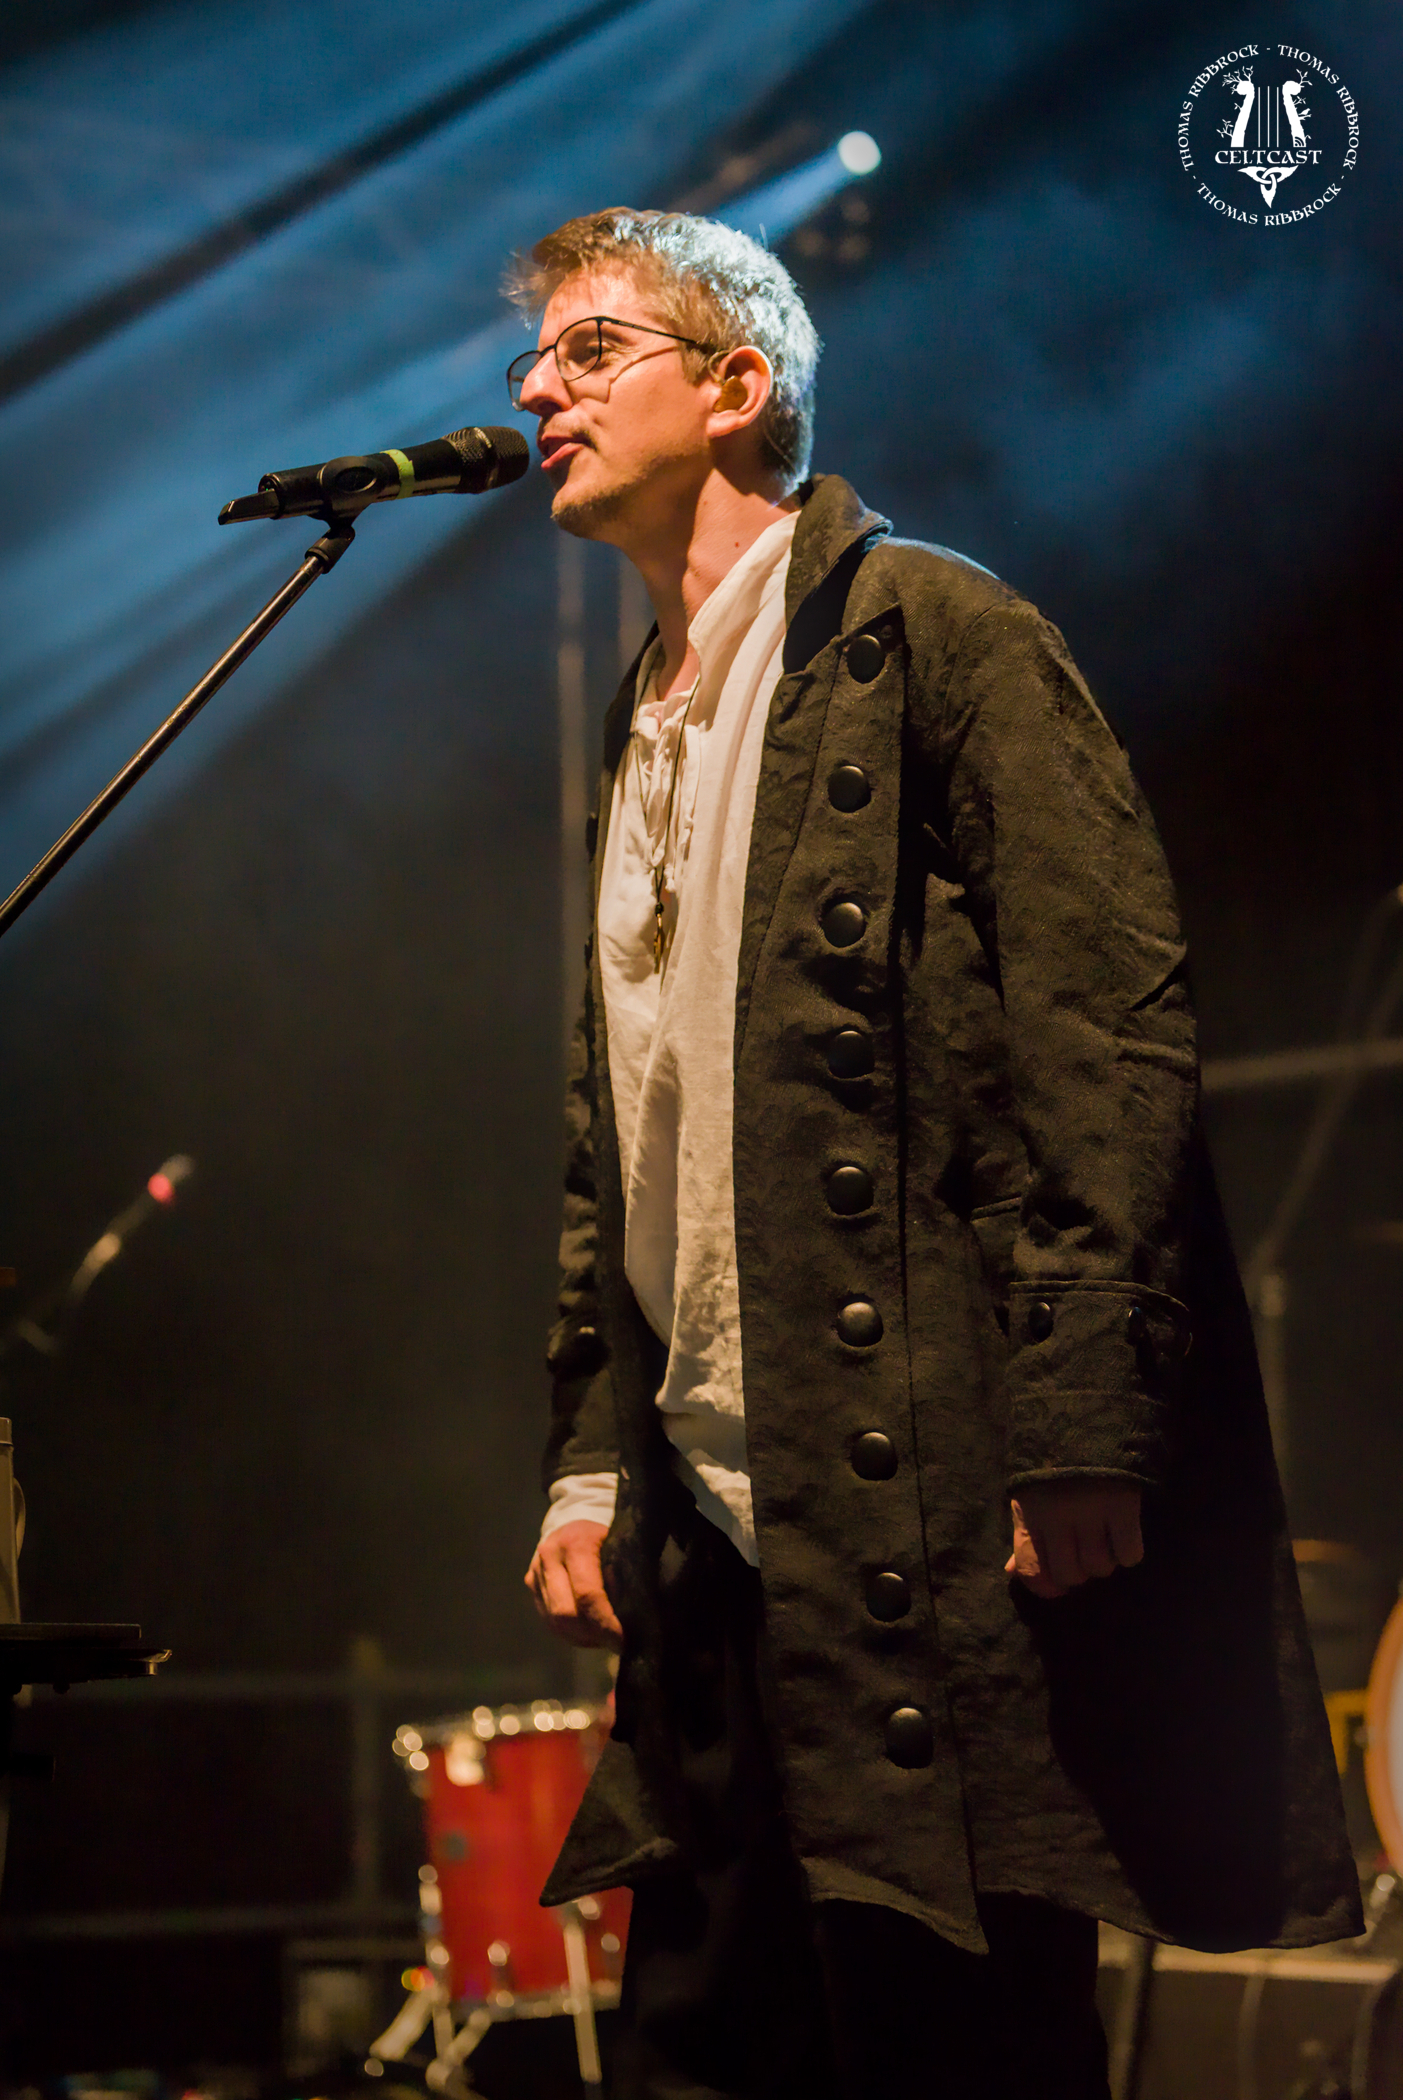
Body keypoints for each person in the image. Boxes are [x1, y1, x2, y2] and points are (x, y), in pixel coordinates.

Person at [510, 208, 1358, 2099]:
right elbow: (619, 1122)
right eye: (534, 361)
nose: (541, 394)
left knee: (950, 2033)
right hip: (712, 1524)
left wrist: (1082, 1420)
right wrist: (591, 1459)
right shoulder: (642, 721)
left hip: (924, 1494)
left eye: (592, 350)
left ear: (737, 386)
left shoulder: (942, 631)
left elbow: (1106, 1022)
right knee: (707, 2044)